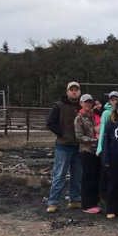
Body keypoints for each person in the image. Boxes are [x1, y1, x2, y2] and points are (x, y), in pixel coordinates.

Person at [45, 81, 83, 213]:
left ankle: (75, 199)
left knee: (77, 175)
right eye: (71, 90)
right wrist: (62, 133)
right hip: (63, 145)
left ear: (79, 92)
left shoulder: (83, 106)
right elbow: (50, 123)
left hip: (79, 146)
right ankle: (53, 201)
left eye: (76, 90)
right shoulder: (59, 106)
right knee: (59, 174)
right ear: (67, 92)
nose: (74, 92)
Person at [74, 93, 102, 214]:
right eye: (85, 102)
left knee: (95, 177)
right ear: (81, 103)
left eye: (90, 102)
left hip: (95, 152)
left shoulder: (92, 117)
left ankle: (94, 201)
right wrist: (96, 141)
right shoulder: (79, 118)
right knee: (87, 177)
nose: (88, 104)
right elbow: (79, 137)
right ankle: (86, 204)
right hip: (86, 151)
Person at [96, 91, 118, 204]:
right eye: (112, 100)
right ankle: (103, 198)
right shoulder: (106, 113)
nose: (114, 102)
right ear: (109, 101)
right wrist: (100, 148)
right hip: (107, 147)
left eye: (116, 99)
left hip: (117, 149)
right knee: (105, 175)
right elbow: (102, 131)